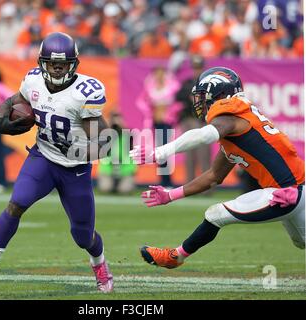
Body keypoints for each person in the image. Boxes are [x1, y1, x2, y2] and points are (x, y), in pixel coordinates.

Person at [0, 32, 114, 292]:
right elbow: (13, 101)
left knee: (82, 236)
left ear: (74, 64)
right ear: (41, 62)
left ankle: (100, 264)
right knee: (16, 204)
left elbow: (106, 143)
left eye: (63, 64)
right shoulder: (32, 81)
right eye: (52, 63)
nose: (57, 69)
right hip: (43, 158)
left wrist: (80, 152)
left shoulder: (84, 93)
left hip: (75, 169)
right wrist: (2, 117)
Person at [130, 67, 305, 269]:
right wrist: (170, 196)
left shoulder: (229, 110)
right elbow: (214, 176)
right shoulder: (238, 128)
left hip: (286, 193)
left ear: (220, 94)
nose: (200, 102)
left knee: (216, 214)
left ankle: (174, 257)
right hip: (296, 191)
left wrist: (159, 152)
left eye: (203, 96)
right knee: (301, 242)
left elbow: (204, 135)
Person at [136, 65, 181, 187]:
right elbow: (140, 101)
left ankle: (167, 180)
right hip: (156, 122)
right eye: (157, 73)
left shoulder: (172, 87)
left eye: (162, 73)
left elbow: (178, 103)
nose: (159, 75)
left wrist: (171, 113)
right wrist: (150, 112)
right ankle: (163, 180)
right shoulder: (150, 87)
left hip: (168, 122)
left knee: (167, 150)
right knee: (160, 150)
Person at [175, 55, 211, 183]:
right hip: (189, 120)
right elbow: (178, 96)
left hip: (202, 122)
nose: (197, 70)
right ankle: (189, 184)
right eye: (195, 68)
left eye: (199, 68)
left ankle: (206, 186)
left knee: (204, 155)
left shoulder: (209, 84)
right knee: (189, 154)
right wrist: (191, 97)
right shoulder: (188, 83)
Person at [98, 112, 136, 194]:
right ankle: (112, 185)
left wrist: (121, 127)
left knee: (124, 190)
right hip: (108, 169)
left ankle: (120, 185)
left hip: (125, 170)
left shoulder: (128, 134)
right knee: (105, 188)